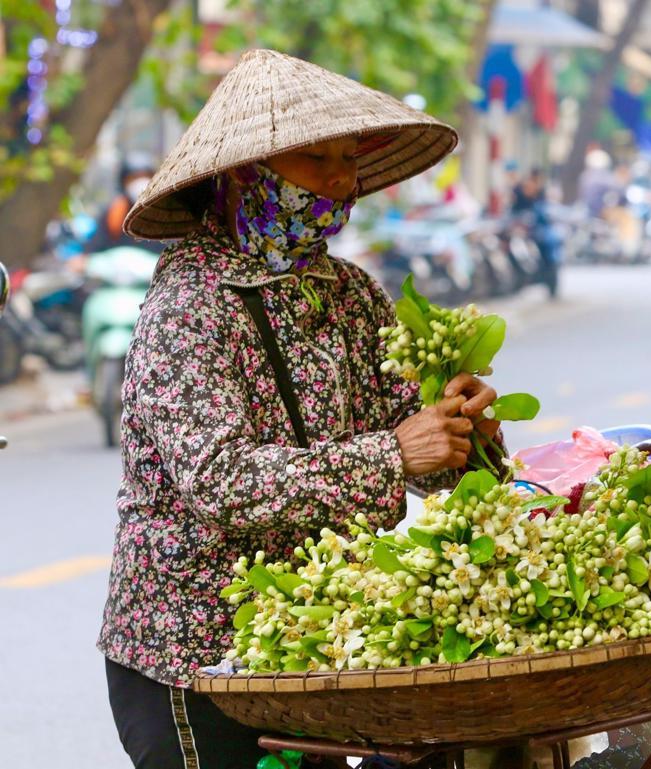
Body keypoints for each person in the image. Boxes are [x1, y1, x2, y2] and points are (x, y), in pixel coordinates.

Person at [97, 50, 502, 769]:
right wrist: (393, 453)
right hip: (194, 659)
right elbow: (219, 481)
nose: (341, 178)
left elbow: (423, 452)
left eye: (348, 158)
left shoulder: (349, 293)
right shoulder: (188, 306)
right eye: (316, 159)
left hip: (316, 645)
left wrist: (463, 426)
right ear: (244, 175)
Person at [86, 153, 165, 254]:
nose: (140, 182)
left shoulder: (166, 211)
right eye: (134, 178)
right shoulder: (114, 214)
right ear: (123, 182)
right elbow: (95, 247)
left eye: (145, 176)